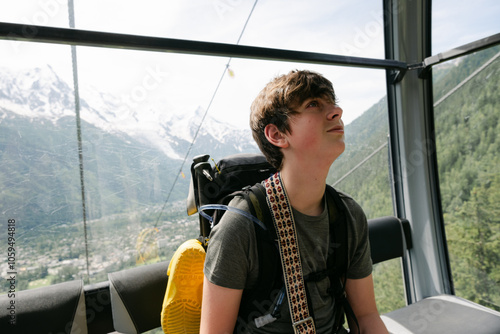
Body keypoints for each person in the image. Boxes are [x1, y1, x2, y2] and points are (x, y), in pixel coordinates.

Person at [200, 70, 388, 333]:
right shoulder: (242, 225)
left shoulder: (348, 215)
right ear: (277, 135)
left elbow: (366, 318)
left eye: (332, 103)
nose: (337, 111)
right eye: (313, 104)